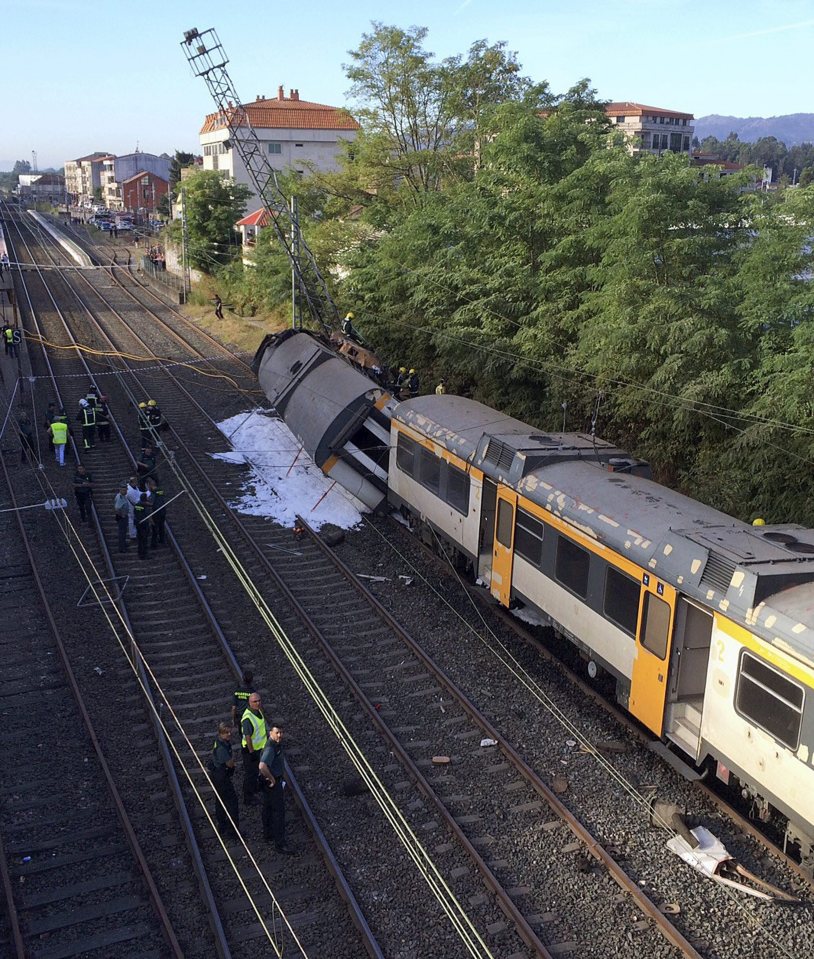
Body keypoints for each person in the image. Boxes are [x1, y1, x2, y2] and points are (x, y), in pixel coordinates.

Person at [258, 723, 292, 853]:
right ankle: (280, 844)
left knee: (267, 807)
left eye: (281, 732)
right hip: (273, 782)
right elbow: (262, 766)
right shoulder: (271, 748)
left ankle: (268, 833)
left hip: (267, 783)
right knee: (278, 812)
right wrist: (272, 779)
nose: (279, 735)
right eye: (277, 732)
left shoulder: (275, 745)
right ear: (270, 733)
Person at [208, 722, 239, 841]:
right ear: (220, 733)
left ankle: (222, 826)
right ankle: (233, 831)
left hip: (217, 776)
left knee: (220, 801)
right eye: (226, 732)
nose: (229, 734)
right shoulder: (221, 748)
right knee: (232, 803)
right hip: (221, 777)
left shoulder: (220, 742)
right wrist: (232, 763)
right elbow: (230, 763)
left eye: (230, 731)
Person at [241, 693, 267, 805]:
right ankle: (248, 797)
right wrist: (251, 752)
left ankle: (255, 788)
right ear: (249, 703)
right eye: (255, 702)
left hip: (260, 748)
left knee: (256, 771)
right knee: (250, 774)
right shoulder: (247, 718)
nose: (258, 703)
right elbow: (248, 737)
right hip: (251, 751)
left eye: (259, 700)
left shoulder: (258, 711)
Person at [145, 477, 166, 546]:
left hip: (156, 512)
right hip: (163, 511)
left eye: (148, 486)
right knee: (161, 526)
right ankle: (162, 540)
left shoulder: (152, 493)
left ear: (150, 485)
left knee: (154, 528)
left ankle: (154, 544)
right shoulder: (161, 490)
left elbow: (150, 504)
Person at [134, 492, 151, 559]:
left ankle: (140, 553)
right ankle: (144, 554)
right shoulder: (145, 506)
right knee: (144, 540)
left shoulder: (137, 505)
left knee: (140, 539)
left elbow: (135, 513)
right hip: (144, 525)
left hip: (138, 524)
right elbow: (147, 514)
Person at [114, 485, 129, 552]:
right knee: (122, 532)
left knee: (124, 531)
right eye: (123, 490)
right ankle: (122, 548)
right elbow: (117, 509)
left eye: (126, 490)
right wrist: (122, 515)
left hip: (124, 516)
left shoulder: (123, 496)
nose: (125, 491)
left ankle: (123, 544)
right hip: (122, 517)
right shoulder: (120, 498)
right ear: (120, 490)